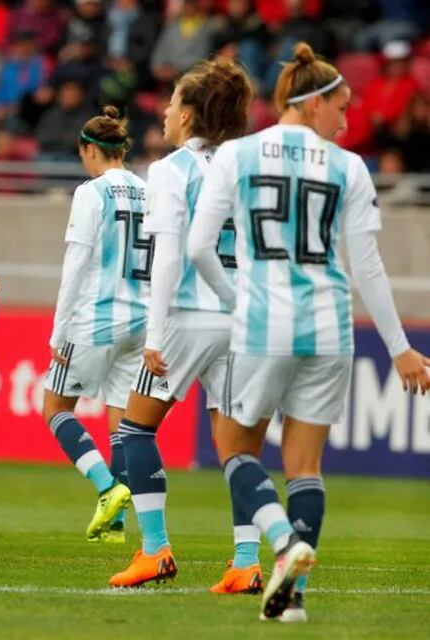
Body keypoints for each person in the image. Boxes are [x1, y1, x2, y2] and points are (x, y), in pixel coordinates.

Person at [186, 42, 430, 622]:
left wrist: (235, 296)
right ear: (312, 102)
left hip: (264, 324)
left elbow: (199, 247)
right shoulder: (348, 166)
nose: (347, 121)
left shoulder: (238, 156)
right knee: (306, 465)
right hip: (330, 328)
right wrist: (400, 350)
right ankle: (290, 599)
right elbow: (367, 265)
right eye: (341, 107)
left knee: (233, 446)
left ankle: (282, 544)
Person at [108, 58, 259, 592]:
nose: (165, 111)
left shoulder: (171, 170)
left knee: (134, 429)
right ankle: (245, 561)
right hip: (241, 318)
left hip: (188, 318)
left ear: (191, 114)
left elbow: (170, 256)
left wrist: (153, 336)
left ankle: (155, 551)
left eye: (172, 102)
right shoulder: (248, 163)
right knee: (236, 444)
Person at [41, 106, 148, 547]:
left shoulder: (91, 192)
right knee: (120, 420)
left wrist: (58, 329)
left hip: (97, 318)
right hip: (141, 320)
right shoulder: (150, 190)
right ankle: (116, 526)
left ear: (89, 150)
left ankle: (107, 488)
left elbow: (77, 263)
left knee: (56, 409)